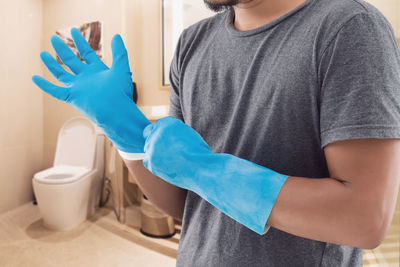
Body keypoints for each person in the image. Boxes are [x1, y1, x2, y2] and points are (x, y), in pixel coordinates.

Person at [32, 0, 400, 266]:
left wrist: (207, 169)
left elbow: (364, 218)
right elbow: (182, 202)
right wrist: (127, 130)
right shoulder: (191, 44)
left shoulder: (348, 27)